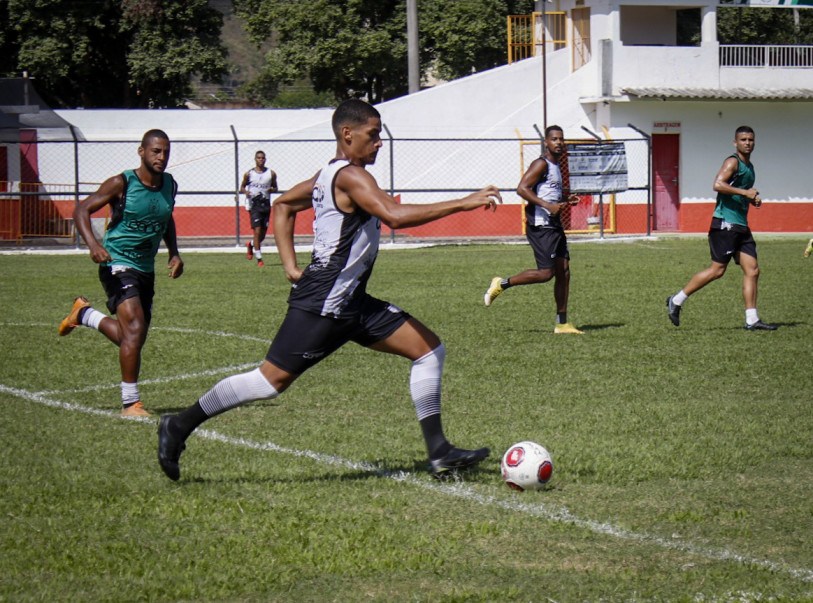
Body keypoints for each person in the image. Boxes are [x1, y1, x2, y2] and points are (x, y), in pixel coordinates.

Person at [157, 99, 502, 481]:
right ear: (347, 134)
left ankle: (439, 452)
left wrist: (290, 265)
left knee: (429, 350)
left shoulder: (328, 175)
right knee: (268, 382)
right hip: (325, 302)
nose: (379, 143)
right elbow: (394, 216)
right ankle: (178, 425)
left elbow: (284, 205)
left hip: (351, 302)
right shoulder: (351, 176)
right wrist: (466, 201)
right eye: (373, 135)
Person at [58, 129, 184, 416]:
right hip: (116, 263)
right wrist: (93, 245)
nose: (161, 157)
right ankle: (130, 403)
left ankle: (84, 315)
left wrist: (174, 252)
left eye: (165, 151)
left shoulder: (170, 185)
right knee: (135, 330)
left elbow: (166, 219)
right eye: (155, 151)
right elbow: (81, 210)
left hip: (145, 268)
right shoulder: (121, 182)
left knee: (132, 337)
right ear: (141, 151)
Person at [666, 125, 775, 331]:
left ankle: (752, 319)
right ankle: (676, 300)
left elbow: (739, 192)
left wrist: (753, 199)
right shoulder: (732, 161)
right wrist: (745, 193)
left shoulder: (750, 167)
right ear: (735, 142)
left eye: (750, 140)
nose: (747, 143)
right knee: (717, 271)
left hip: (741, 225)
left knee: (752, 271)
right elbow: (718, 184)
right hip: (725, 224)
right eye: (743, 139)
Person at [483, 125, 582, 334]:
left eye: (561, 139)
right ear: (546, 142)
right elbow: (522, 188)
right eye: (554, 139)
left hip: (554, 224)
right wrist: (547, 206)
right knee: (546, 273)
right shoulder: (541, 164)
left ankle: (562, 323)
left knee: (564, 271)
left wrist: (564, 200)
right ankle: (502, 283)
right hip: (541, 225)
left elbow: (548, 194)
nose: (559, 143)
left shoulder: (557, 165)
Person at [240, 150, 278, 267]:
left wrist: (271, 190)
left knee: (262, 234)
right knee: (257, 231)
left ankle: (251, 245)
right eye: (259, 158)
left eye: (263, 158)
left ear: (265, 159)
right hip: (254, 204)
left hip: (265, 204)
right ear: (255, 159)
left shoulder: (271, 173)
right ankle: (259, 259)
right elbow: (242, 187)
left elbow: (275, 187)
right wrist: (246, 192)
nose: (261, 160)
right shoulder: (249, 174)